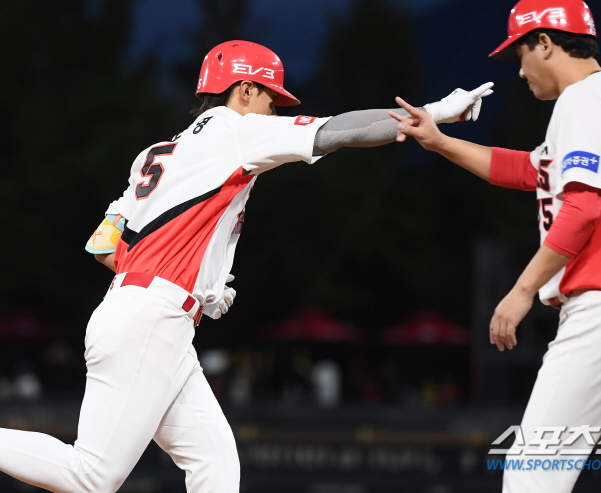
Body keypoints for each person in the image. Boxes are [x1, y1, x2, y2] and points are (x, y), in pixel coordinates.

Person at [0, 40, 492, 493]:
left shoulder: (155, 153)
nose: (275, 109)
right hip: (150, 320)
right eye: (271, 98)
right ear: (245, 89)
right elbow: (341, 130)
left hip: (147, 312)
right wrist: (431, 114)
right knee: (92, 475)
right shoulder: (235, 130)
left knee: (216, 465)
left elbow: (104, 246)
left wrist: (198, 281)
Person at [390, 0, 601, 493]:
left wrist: (523, 290)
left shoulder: (583, 100)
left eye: (521, 52)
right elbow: (529, 170)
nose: (520, 69)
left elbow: (582, 208)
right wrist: (439, 139)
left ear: (546, 43)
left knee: (531, 474)